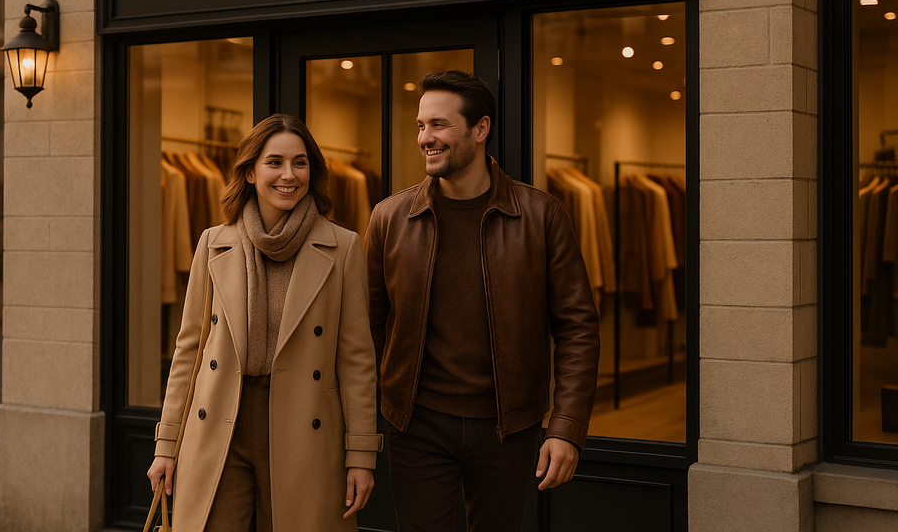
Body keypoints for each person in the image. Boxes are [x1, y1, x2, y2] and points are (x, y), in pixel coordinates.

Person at [364, 70, 600, 532]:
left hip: (507, 429)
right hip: (417, 425)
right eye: (420, 125)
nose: (425, 138)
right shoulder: (390, 218)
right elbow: (367, 328)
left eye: (438, 125)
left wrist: (566, 426)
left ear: (480, 129)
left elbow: (577, 327)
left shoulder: (541, 215)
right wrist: (367, 421)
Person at [148, 113, 382, 532]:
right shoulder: (213, 242)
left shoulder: (344, 247)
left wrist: (361, 455)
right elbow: (189, 350)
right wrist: (166, 444)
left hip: (304, 426)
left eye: (300, 162)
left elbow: (357, 361)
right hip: (221, 420)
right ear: (251, 172)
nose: (288, 175)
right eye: (274, 162)